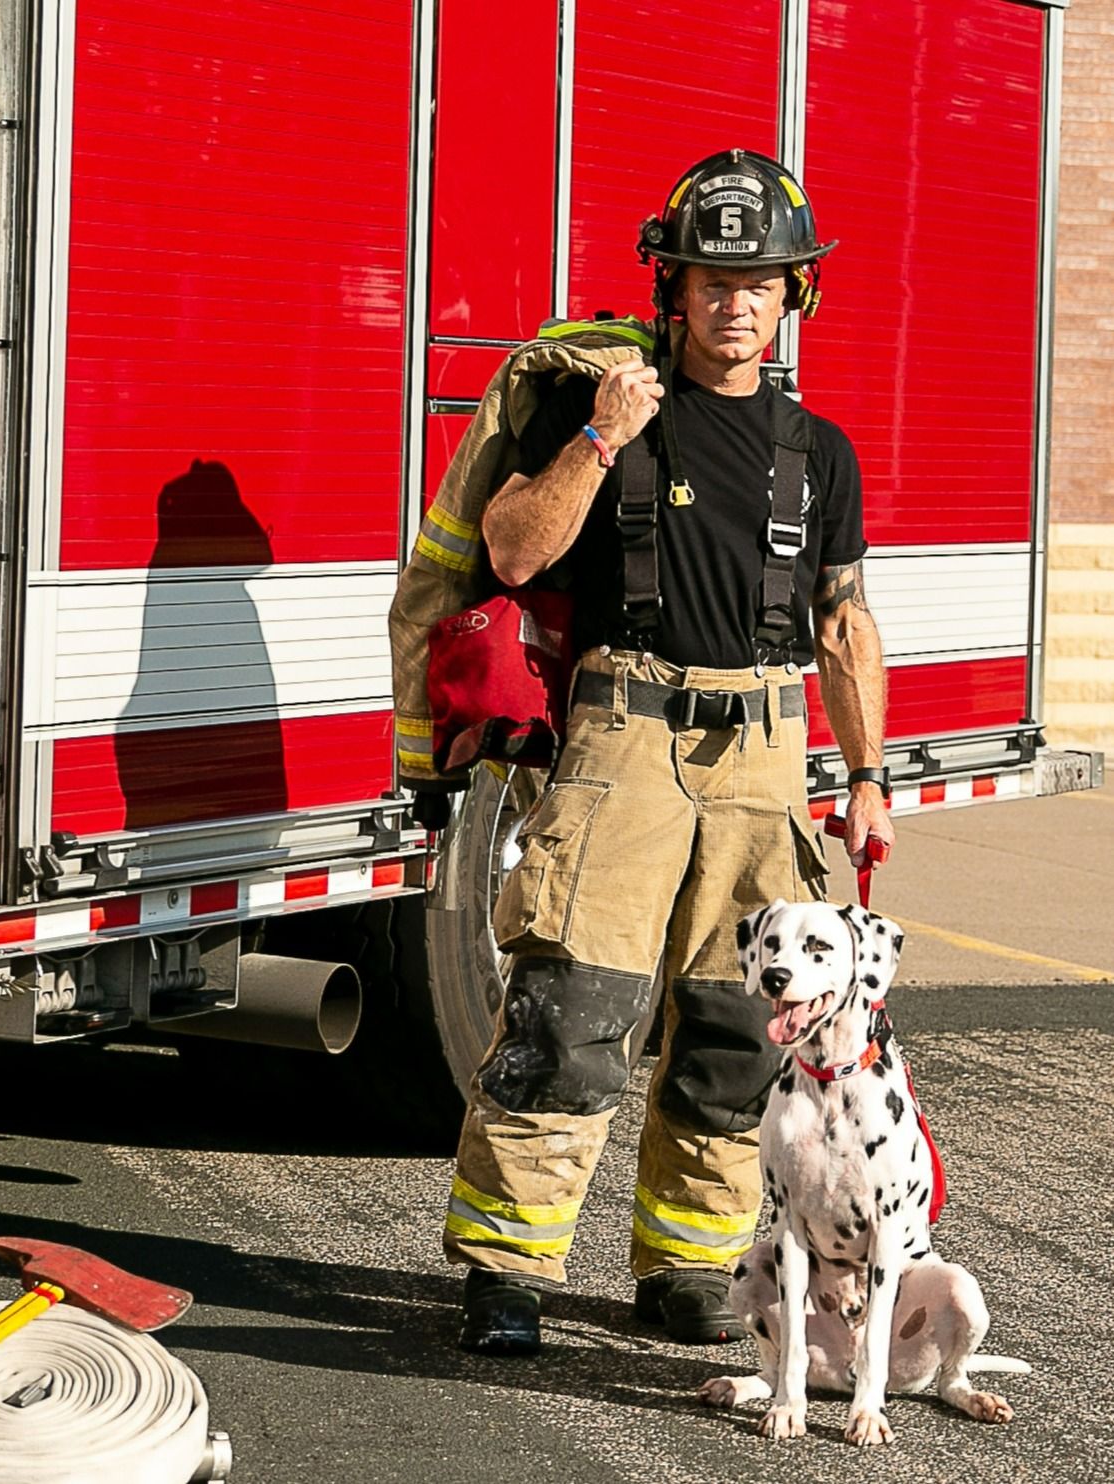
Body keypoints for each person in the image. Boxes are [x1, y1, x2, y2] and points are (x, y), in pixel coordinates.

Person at [443, 148, 895, 1354]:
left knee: (738, 1027)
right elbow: (516, 551)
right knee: (569, 1007)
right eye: (708, 278)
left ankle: (688, 1266)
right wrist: (597, 438)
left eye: (757, 282)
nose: (732, 301)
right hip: (621, 741)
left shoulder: (820, 453)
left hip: (764, 756)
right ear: (670, 288)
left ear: (793, 295)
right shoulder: (600, 414)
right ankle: (505, 1271)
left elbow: (844, 625)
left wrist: (862, 778)